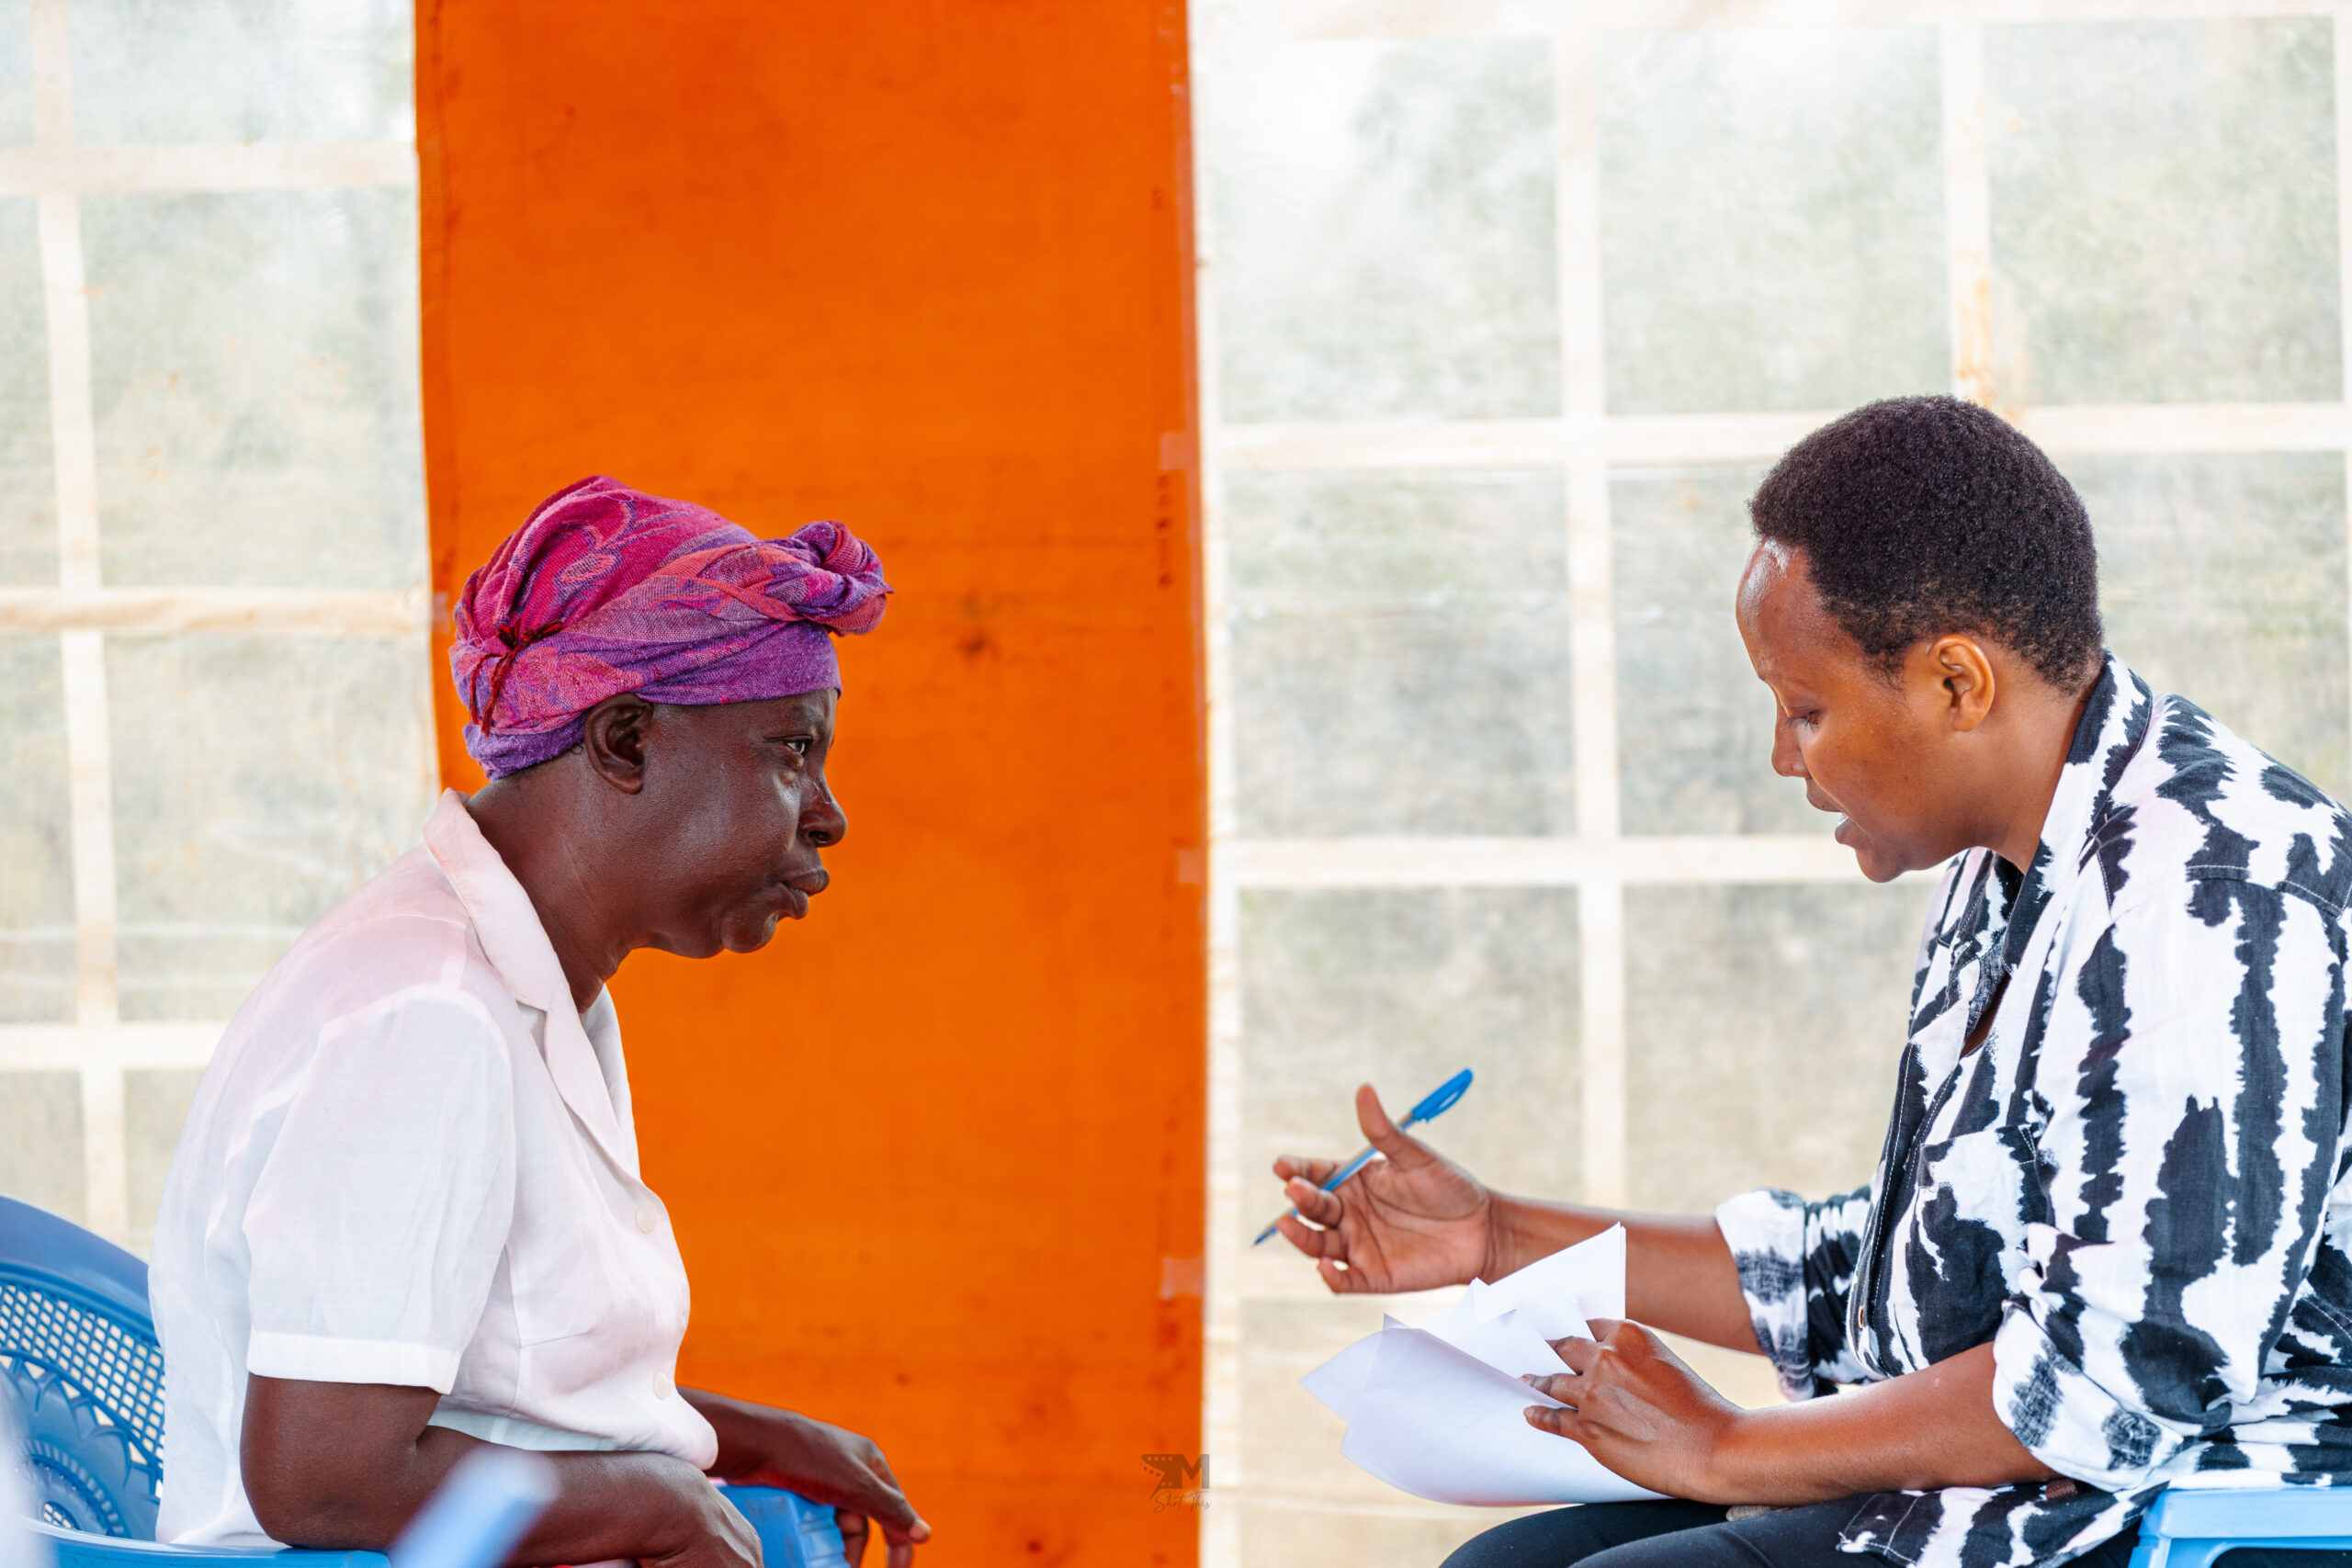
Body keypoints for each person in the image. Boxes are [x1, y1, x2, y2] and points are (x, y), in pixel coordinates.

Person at [1272, 398, 2352, 1568]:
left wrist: (1725, 1448)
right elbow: (1901, 1278)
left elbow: (2114, 1389)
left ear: (1956, 684)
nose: (1783, 757)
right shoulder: (2020, 863)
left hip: (2151, 1513)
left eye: (1805, 709)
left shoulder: (2206, 898)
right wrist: (1496, 1235)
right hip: (1987, 1492)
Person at [150, 477, 931, 1568]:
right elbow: (326, 1483)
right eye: (792, 751)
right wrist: (660, 1505)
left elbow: (497, 1391)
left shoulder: (514, 985)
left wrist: (742, 1441)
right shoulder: (427, 1011)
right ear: (624, 742)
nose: (829, 814)